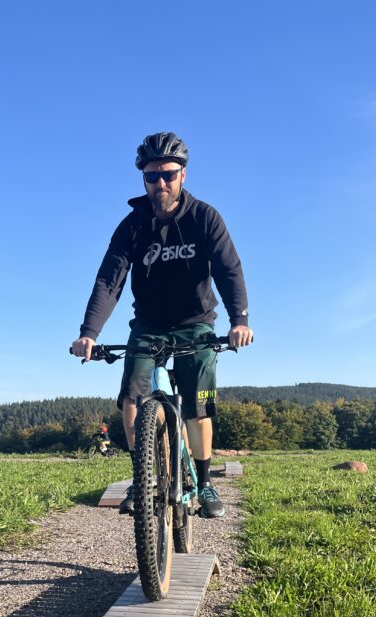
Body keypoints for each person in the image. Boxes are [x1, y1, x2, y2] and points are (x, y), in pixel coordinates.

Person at [71, 131, 252, 517]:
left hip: (196, 324)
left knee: (198, 407)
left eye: (168, 174)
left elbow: (228, 270)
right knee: (132, 400)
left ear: (183, 174)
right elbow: (109, 281)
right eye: (151, 176)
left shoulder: (204, 217)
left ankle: (204, 483)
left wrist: (239, 320)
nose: (160, 183)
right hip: (149, 326)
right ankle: (143, 478)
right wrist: (89, 333)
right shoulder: (133, 226)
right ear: (144, 179)